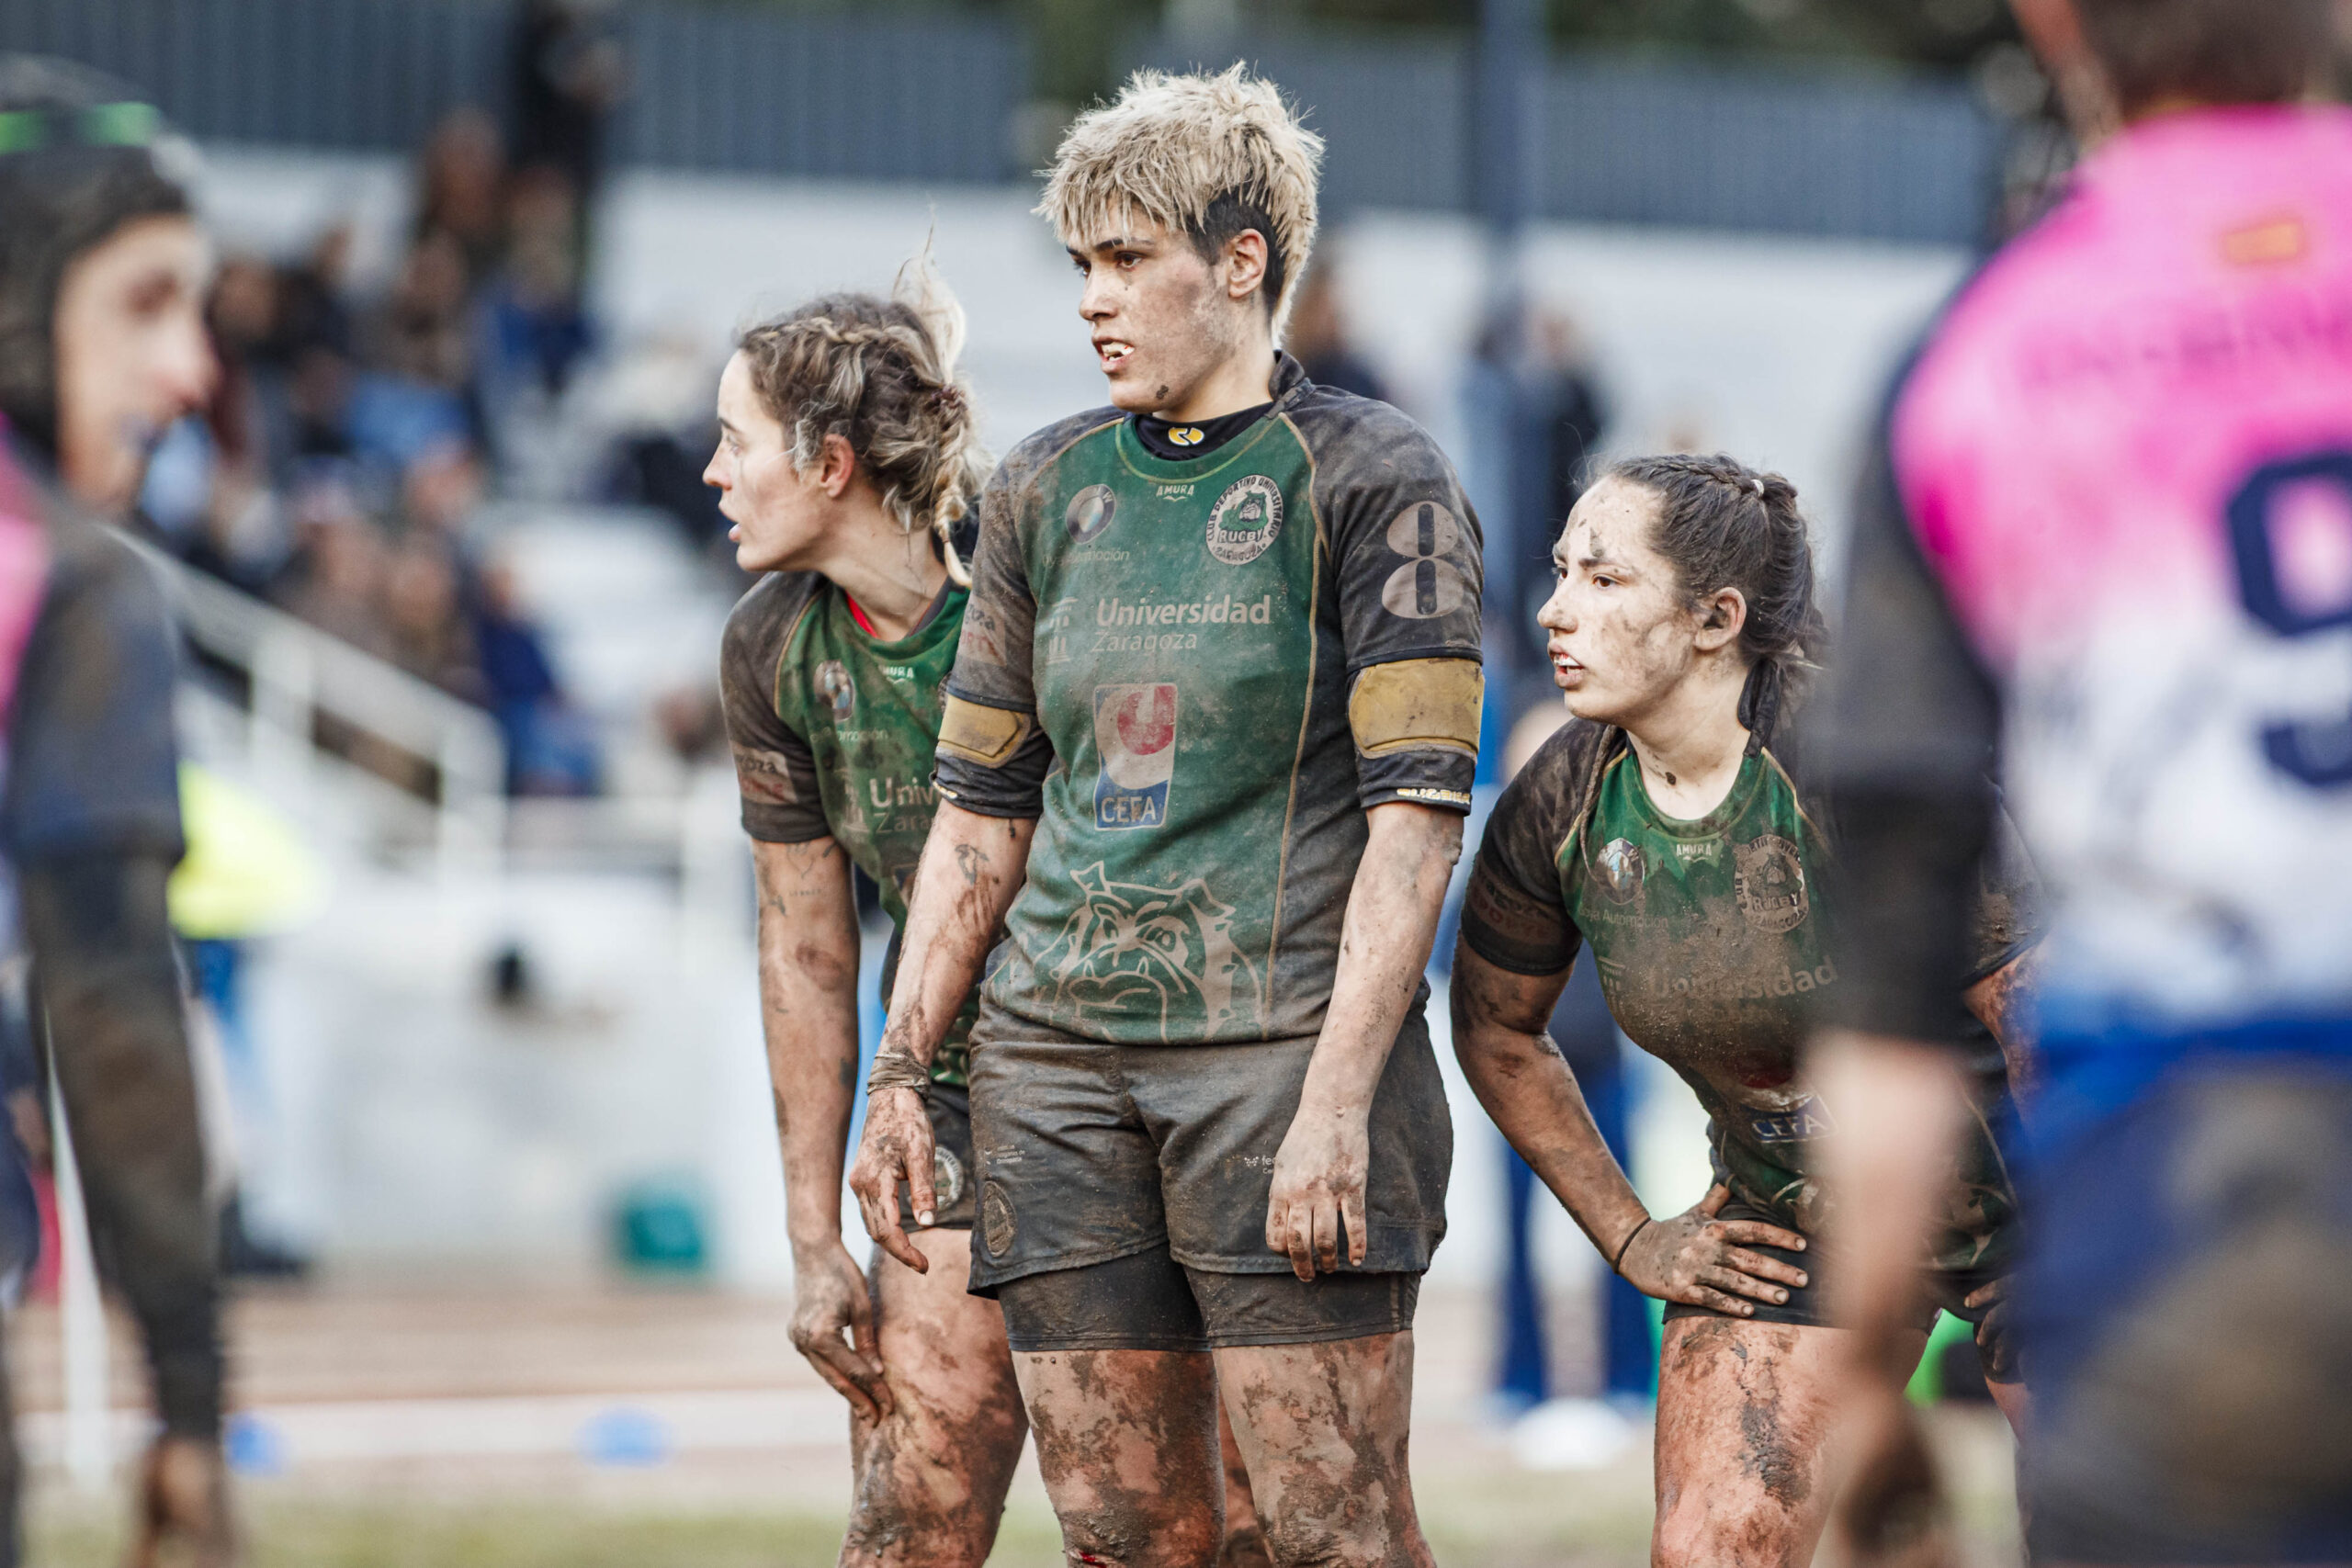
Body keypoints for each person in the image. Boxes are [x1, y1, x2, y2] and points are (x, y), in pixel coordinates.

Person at [846, 67, 1485, 1568]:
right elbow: (979, 819)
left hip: (1276, 1064)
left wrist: (1338, 1100)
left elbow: (1418, 825)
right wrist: (899, 1072)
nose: (1092, 299)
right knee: (1126, 1534)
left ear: (1243, 259)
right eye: (1082, 263)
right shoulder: (1041, 488)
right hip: (1052, 1074)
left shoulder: (1379, 478)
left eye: (1127, 259)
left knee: (1330, 1529)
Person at [1812, 1, 2352, 1562]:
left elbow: (1894, 969)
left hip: (2198, 1184)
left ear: (2055, 25)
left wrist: (1862, 1374)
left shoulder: (1986, 351)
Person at [712, 263, 1271, 1567]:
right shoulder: (771, 647)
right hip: (949, 1091)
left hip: (1136, 1069)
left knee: (1211, 1521)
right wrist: (811, 1244)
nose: (713, 471)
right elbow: (802, 948)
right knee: (914, 1505)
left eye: (735, 441)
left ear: (831, 460)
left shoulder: (1055, 592)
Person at [1448, 454, 2037, 1567]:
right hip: (1793, 1214)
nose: (1554, 609)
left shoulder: (1847, 770)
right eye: (1561, 570)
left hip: (2026, 1201)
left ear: (1714, 618)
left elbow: (2041, 1028)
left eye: (1605, 581)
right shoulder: (1564, 800)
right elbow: (1494, 1029)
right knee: (1712, 1547)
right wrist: (1630, 1235)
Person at [0, 55, 235, 1567]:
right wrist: (195, 1414)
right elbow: (117, 1016)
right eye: (144, 301)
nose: (195, 369)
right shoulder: (71, 582)